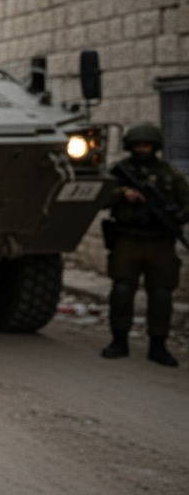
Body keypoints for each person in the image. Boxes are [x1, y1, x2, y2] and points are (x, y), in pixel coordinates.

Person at [101, 123, 186, 367]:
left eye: (146, 145)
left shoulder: (170, 174)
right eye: (137, 145)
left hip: (160, 242)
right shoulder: (120, 172)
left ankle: (158, 346)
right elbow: (101, 199)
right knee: (122, 290)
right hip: (127, 239)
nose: (142, 149)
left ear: (155, 146)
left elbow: (186, 202)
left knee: (161, 294)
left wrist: (178, 215)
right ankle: (119, 341)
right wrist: (122, 195)